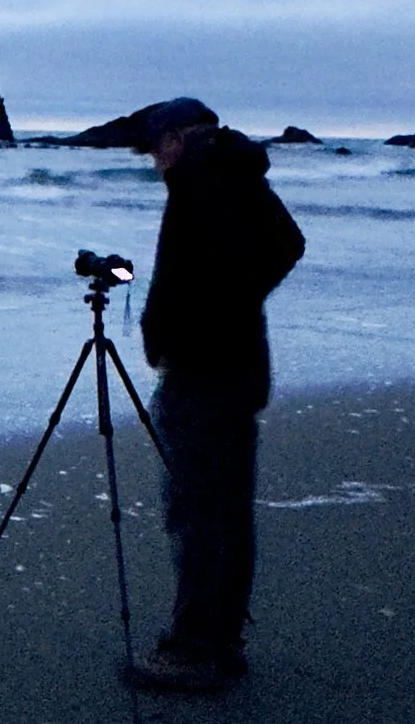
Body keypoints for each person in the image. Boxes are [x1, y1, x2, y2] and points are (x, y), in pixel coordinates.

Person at [118, 97, 305, 693]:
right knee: (227, 508)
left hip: (203, 372)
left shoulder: (198, 180)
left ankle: (196, 645)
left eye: (154, 150)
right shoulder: (240, 173)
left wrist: (185, 329)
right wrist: (235, 303)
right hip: (241, 364)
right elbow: (286, 246)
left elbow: (191, 276)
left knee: (196, 510)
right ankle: (222, 637)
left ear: (175, 139)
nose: (154, 164)